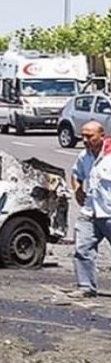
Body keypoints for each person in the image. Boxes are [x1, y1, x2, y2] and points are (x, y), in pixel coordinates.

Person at [70, 121, 111, 298]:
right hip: (90, 211)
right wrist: (77, 189)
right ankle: (86, 286)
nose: (85, 140)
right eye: (83, 136)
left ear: (102, 136)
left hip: (109, 212)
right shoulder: (84, 156)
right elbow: (76, 174)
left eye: (89, 136)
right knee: (83, 248)